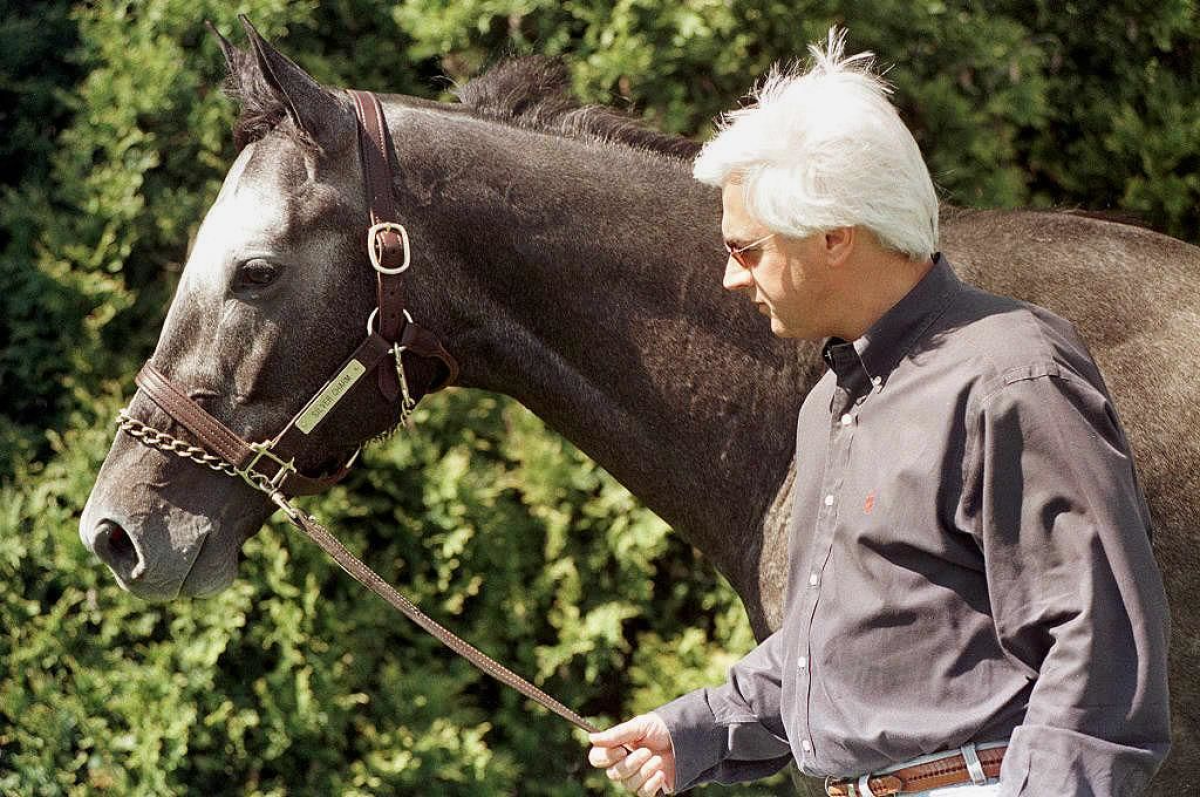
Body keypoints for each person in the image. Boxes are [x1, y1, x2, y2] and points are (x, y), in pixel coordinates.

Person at [585, 27, 1171, 797]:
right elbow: (847, 643)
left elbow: (1099, 653)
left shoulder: (1013, 373)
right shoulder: (833, 398)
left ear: (834, 235)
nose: (732, 279)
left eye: (746, 249)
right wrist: (695, 727)